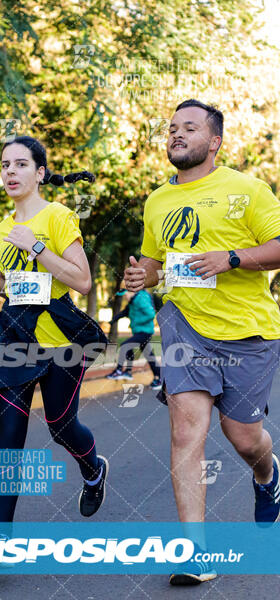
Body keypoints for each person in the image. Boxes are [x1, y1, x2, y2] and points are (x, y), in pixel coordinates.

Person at [124, 99, 280, 585]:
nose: (176, 135)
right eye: (172, 128)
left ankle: (268, 475)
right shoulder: (156, 200)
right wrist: (140, 274)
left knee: (243, 437)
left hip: (247, 331)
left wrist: (231, 258)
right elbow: (155, 262)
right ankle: (196, 553)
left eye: (189, 128)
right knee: (186, 432)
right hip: (184, 327)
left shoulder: (247, 189)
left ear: (214, 142)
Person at [0, 136, 109, 536]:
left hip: (61, 341)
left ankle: (93, 469)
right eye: (5, 165)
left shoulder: (58, 217)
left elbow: (81, 281)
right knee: (8, 435)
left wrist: (38, 246)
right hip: (15, 340)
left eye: (21, 164)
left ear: (40, 173)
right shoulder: (0, 230)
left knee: (61, 425)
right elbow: (12, 289)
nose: (10, 171)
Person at [106, 288, 162, 388]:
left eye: (125, 295)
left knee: (126, 345)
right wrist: (113, 320)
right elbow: (125, 312)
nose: (124, 297)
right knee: (149, 356)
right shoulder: (132, 301)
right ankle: (159, 379)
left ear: (132, 292)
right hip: (139, 331)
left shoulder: (140, 298)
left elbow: (151, 314)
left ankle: (121, 371)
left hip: (144, 331)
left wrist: (137, 321)